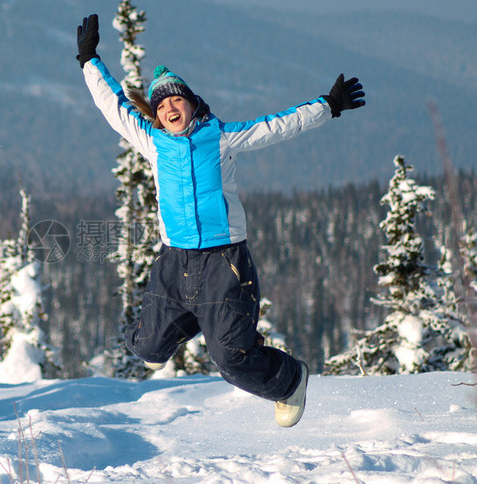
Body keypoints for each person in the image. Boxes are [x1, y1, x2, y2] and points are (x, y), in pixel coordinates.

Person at [75, 14, 365, 427]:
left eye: (177, 99)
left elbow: (278, 125)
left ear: (192, 103)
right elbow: (113, 105)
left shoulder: (222, 138)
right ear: (157, 115)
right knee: (147, 348)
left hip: (223, 262)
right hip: (175, 264)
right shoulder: (153, 143)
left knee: (231, 362)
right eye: (162, 104)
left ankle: (288, 379)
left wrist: (329, 106)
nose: (170, 107)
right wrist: (89, 60)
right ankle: (198, 315)